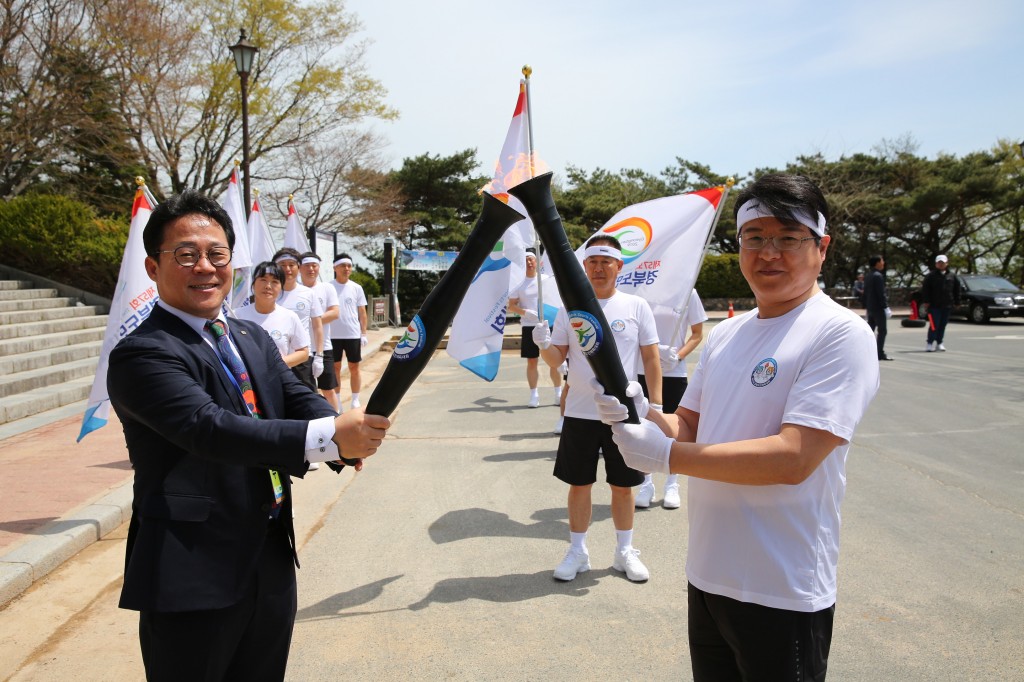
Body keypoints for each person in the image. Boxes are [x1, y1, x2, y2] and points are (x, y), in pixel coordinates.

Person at [594, 173, 879, 681]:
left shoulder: (839, 333)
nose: (769, 252)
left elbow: (794, 458)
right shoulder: (728, 334)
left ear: (821, 248)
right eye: (754, 238)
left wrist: (664, 457)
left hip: (780, 589)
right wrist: (641, 415)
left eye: (788, 238)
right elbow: (690, 425)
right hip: (707, 574)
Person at [106, 189, 390, 681]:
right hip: (193, 568)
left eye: (217, 255)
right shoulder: (143, 353)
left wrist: (350, 429)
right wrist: (327, 437)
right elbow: (209, 429)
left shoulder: (248, 335)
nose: (205, 267)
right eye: (187, 255)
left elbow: (294, 399)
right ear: (153, 268)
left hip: (270, 554)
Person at [532, 234, 661, 583]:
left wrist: (656, 405)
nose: (599, 268)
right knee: (579, 484)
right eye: (592, 261)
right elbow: (557, 359)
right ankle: (578, 551)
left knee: (623, 486)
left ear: (619, 266)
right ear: (584, 266)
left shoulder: (636, 306)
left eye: (606, 261)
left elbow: (651, 358)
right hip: (579, 411)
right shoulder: (569, 309)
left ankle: (624, 552)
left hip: (623, 411)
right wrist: (544, 343)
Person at [634, 288, 707, 508]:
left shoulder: (688, 291)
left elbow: (697, 334)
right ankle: (645, 482)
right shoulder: (641, 292)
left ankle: (671, 483)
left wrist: (678, 355)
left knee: (675, 430)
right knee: (644, 428)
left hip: (674, 370)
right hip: (642, 369)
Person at [508, 249, 563, 408]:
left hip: (549, 325)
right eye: (526, 261)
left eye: (531, 260)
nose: (529, 263)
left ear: (538, 262)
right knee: (532, 361)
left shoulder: (546, 280)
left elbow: (556, 301)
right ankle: (534, 395)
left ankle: (558, 393)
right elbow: (512, 305)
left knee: (555, 361)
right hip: (529, 326)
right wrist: (525, 312)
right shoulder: (519, 283)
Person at [234, 261, 310, 369]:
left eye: (274, 281)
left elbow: (303, 352)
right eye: (263, 280)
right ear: (253, 284)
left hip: (278, 381)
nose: (268, 286)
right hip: (245, 381)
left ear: (281, 287)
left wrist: (276, 364)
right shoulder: (236, 315)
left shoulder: (289, 317)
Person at [273, 247, 324, 390]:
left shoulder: (308, 293)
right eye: (282, 265)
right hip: (276, 356)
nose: (287, 269)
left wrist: (319, 356)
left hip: (301, 357)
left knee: (307, 398)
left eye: (291, 265)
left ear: (298, 267)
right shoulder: (269, 293)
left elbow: (317, 325)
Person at [299, 252, 341, 410]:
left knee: (328, 389)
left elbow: (335, 312)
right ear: (300, 268)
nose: (311, 269)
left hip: (323, 348)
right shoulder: (296, 290)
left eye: (314, 266)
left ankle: (336, 424)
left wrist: (312, 319)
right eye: (307, 266)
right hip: (301, 349)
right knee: (307, 390)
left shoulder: (326, 288)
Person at [328, 254, 368, 409]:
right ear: (335, 268)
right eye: (343, 265)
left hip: (352, 333)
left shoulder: (356, 288)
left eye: (349, 266)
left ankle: (355, 399)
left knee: (354, 367)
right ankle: (337, 400)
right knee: (335, 367)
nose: (346, 269)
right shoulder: (329, 287)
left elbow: (362, 312)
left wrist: (363, 333)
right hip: (332, 335)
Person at [921, 254, 959, 352]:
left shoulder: (952, 276)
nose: (941, 264)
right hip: (934, 305)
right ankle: (930, 343)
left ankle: (939, 342)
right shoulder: (930, 276)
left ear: (946, 263)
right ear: (936, 264)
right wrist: (926, 301)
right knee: (934, 325)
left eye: (942, 263)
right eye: (939, 263)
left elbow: (956, 290)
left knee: (942, 324)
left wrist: (957, 302)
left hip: (947, 304)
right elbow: (925, 290)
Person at [863, 255, 893, 361]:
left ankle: (866, 352)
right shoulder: (878, 276)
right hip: (878, 308)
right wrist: (885, 307)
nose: (883, 263)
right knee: (882, 331)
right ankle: (879, 353)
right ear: (877, 263)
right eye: (882, 261)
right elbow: (881, 293)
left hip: (870, 307)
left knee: (870, 331)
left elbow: (865, 293)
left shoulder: (868, 276)